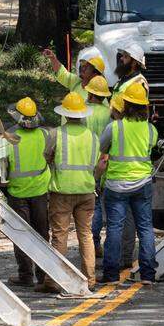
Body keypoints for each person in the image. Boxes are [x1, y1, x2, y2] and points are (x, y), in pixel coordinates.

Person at [97, 82, 158, 284]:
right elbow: (151, 149)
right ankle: (148, 274)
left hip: (116, 185)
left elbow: (102, 147)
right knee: (146, 228)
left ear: (125, 105)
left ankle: (111, 274)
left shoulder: (114, 127)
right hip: (142, 184)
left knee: (114, 228)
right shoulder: (151, 130)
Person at [40, 92, 100, 292]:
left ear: (65, 114)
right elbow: (97, 163)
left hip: (62, 192)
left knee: (59, 236)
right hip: (86, 191)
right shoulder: (92, 136)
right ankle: (90, 280)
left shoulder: (56, 134)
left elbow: (46, 156)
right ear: (83, 115)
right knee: (86, 235)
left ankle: (54, 281)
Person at [5, 97, 53, 287]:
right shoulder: (45, 135)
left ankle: (25, 275)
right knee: (42, 233)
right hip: (40, 191)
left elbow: (5, 165)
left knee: (21, 234)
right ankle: (43, 276)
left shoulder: (9, 136)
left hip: (17, 192)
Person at [84, 76, 112, 257]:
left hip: (85, 163)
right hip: (105, 163)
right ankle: (100, 243)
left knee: (92, 207)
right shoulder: (108, 114)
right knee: (103, 206)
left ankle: (92, 242)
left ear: (89, 92)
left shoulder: (84, 112)